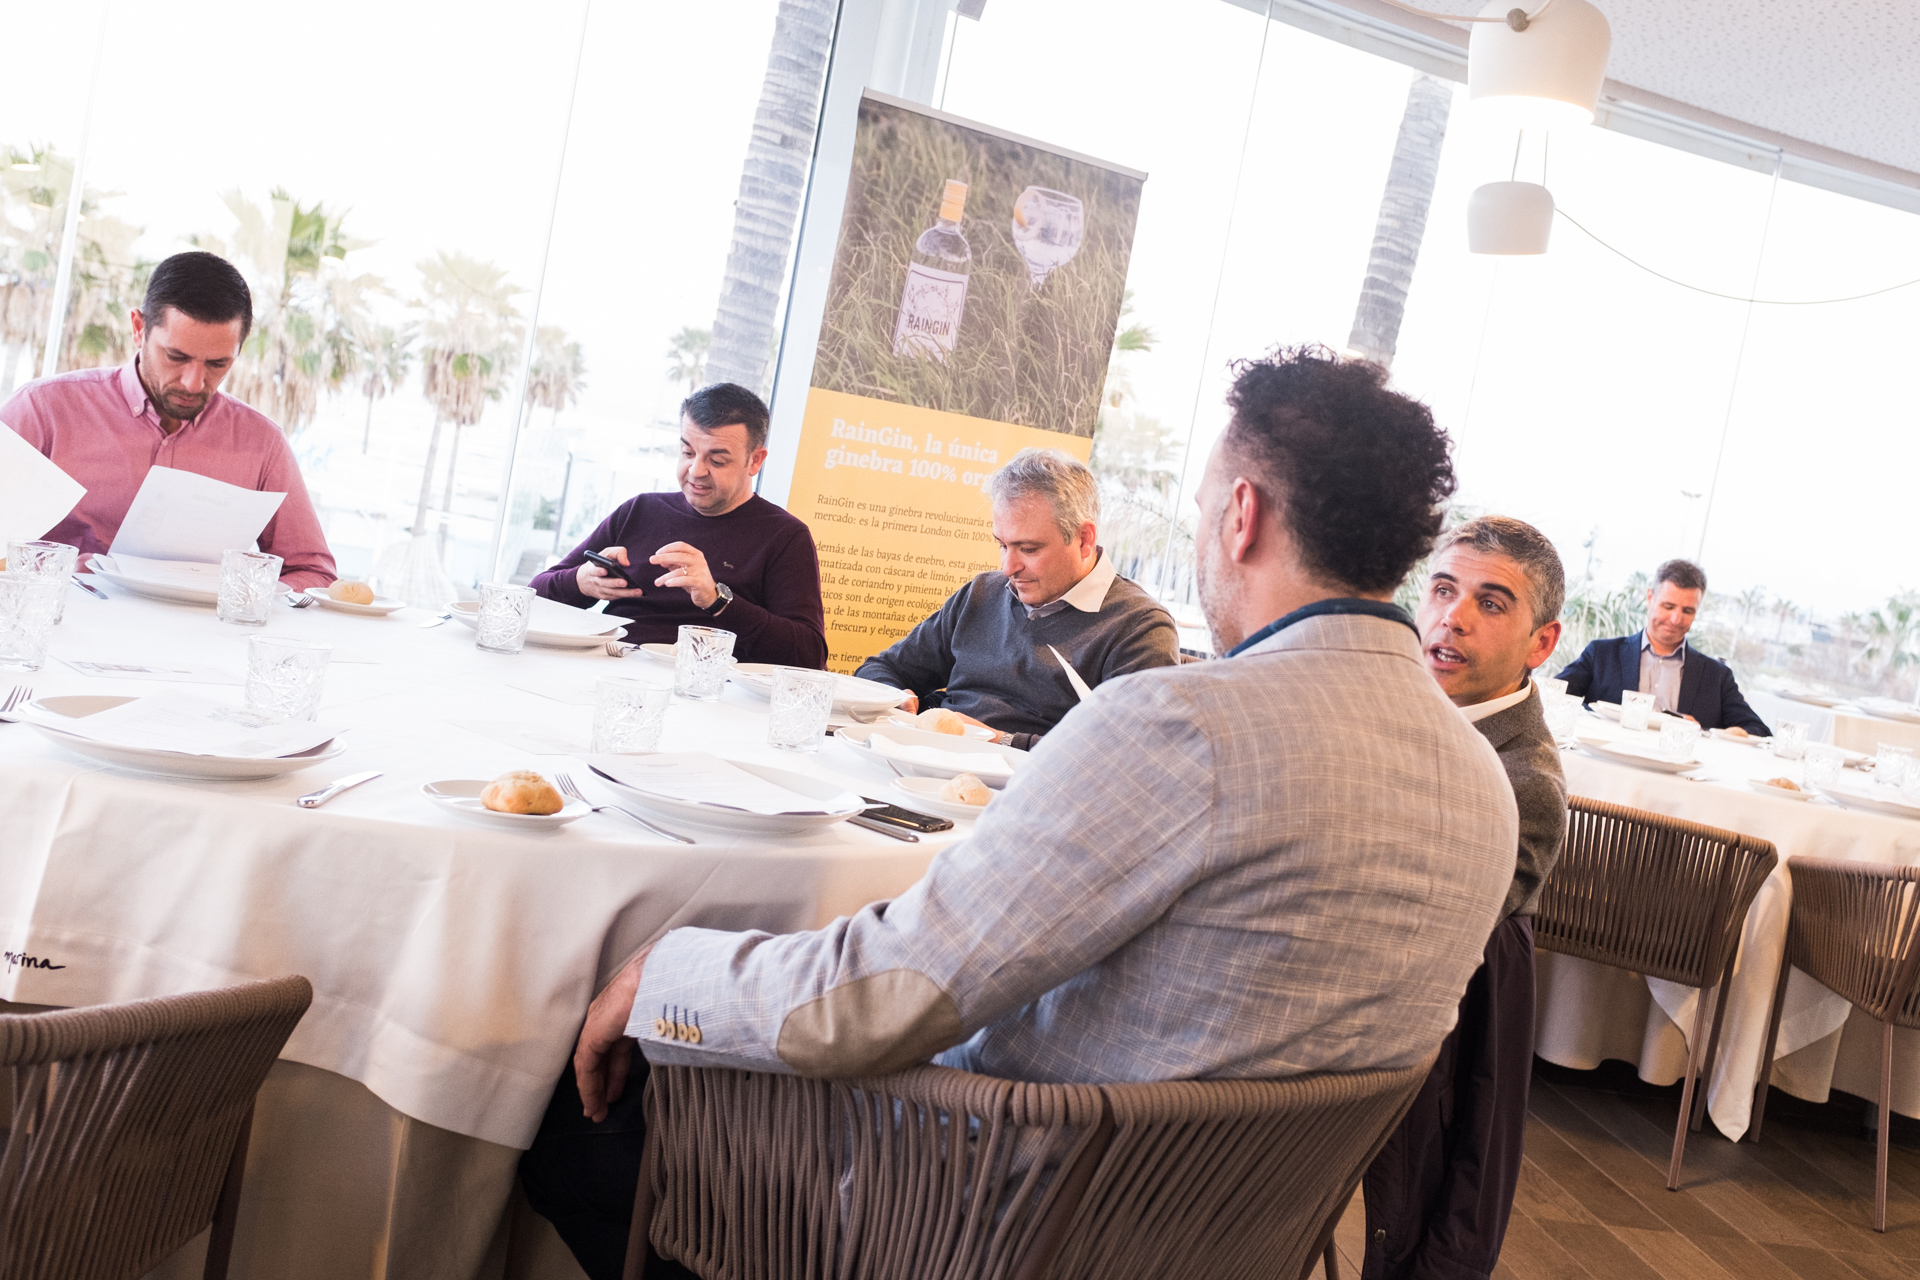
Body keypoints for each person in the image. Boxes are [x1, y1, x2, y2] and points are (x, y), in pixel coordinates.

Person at [519, 346, 1521, 1280]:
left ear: (1243, 516)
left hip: (981, 1223)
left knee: (565, 1113)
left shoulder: (1180, 724)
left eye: (1204, 506)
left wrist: (664, 975)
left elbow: (890, 991)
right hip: (1225, 1245)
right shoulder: (1485, 784)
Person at [1363, 515, 1570, 1280]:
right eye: (1443, 590)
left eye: (1490, 603)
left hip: (1405, 1060)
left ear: (1541, 643)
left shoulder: (1524, 786)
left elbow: (1422, 945)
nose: (1452, 618)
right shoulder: (1388, 704)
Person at [0, 251, 336, 589]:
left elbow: (314, 574)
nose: (193, 383)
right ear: (138, 328)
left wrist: (239, 591)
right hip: (62, 617)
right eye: (176, 356)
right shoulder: (43, 410)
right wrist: (59, 569)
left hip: (201, 624)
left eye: (217, 364)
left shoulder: (263, 444)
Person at [855, 448, 1178, 748]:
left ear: (1084, 539)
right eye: (1002, 545)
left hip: (1031, 782)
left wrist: (1000, 741)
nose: (1008, 567)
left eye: (1029, 549)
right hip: (927, 759)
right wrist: (895, 698)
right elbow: (882, 668)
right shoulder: (982, 593)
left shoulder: (1138, 627)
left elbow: (1131, 754)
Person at [532, 383, 826, 667]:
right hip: (611, 668)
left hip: (707, 687)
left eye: (717, 460)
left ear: (755, 461)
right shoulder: (640, 510)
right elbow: (535, 597)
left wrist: (716, 600)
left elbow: (809, 655)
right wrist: (581, 582)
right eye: (687, 452)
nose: (696, 471)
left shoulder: (785, 536)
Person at [1556, 558, 1768, 734]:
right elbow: (1554, 696)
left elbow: (1758, 730)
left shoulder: (1717, 677)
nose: (1676, 619)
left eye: (1688, 611)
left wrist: (1709, 733)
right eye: (1668, 606)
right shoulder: (1602, 654)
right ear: (1650, 598)